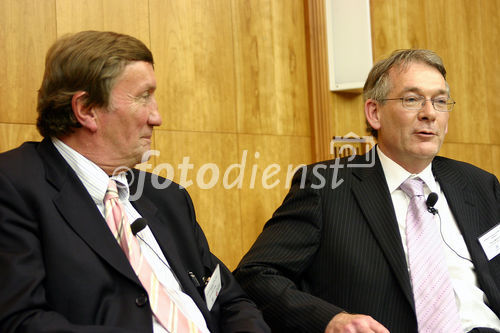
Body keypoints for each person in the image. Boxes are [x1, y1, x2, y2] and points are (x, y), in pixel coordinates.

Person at [0, 30, 270, 333]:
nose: (157, 117)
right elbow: (20, 322)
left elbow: (230, 299)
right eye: (144, 97)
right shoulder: (13, 185)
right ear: (87, 109)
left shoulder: (167, 197)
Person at [234, 49, 500, 333]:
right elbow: (256, 276)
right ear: (375, 113)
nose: (429, 114)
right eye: (412, 100)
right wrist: (331, 320)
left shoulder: (479, 185)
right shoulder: (325, 186)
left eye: (440, 101)